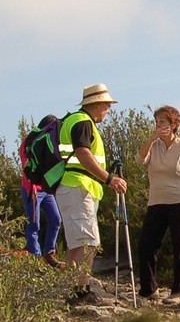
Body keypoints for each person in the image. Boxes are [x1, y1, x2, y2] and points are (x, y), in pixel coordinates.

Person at [54, 83, 127, 305]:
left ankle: (73, 290)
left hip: (71, 187)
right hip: (78, 186)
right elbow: (83, 153)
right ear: (95, 105)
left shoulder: (74, 120)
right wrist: (109, 178)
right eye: (107, 105)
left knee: (76, 243)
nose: (108, 110)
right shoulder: (83, 122)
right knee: (88, 241)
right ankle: (81, 290)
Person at [136, 105, 180, 302]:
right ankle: (149, 289)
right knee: (146, 245)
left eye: (163, 121)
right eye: (157, 122)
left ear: (173, 125)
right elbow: (139, 160)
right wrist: (151, 139)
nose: (159, 125)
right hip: (156, 201)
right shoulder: (153, 146)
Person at [20, 114, 64, 269]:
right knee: (34, 224)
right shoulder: (29, 142)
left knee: (56, 219)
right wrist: (32, 188)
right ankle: (35, 257)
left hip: (46, 189)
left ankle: (49, 253)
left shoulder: (50, 140)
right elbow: (27, 166)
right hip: (31, 189)